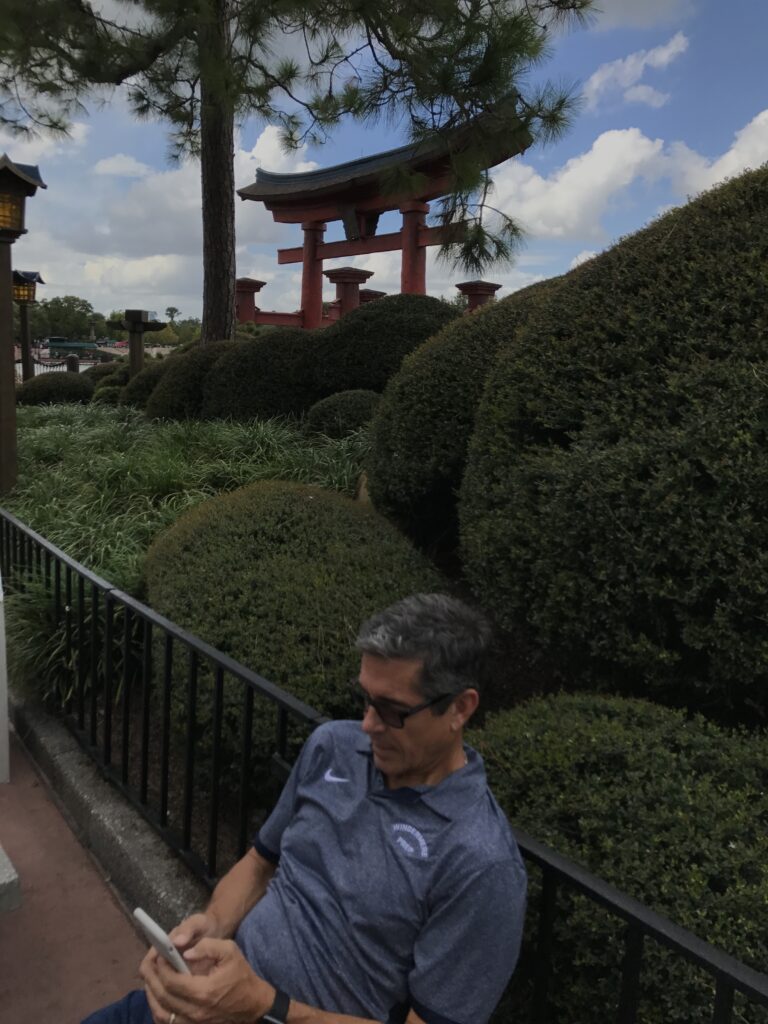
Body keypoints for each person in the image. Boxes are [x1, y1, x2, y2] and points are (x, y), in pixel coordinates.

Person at [83, 593, 527, 1024]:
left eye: (392, 711)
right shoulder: (333, 746)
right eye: (366, 699)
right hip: (212, 999)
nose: (368, 724)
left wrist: (266, 1006)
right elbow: (261, 863)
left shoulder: (482, 863)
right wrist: (211, 925)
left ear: (460, 708)